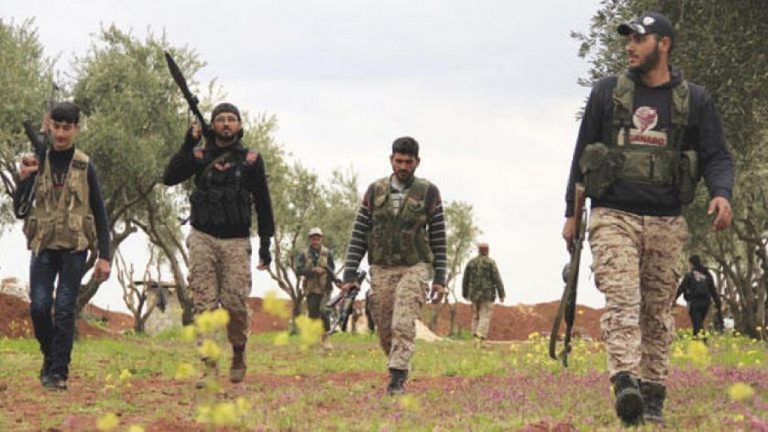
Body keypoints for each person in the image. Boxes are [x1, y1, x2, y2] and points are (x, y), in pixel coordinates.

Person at [561, 11, 733, 425]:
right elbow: (582, 155)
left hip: (666, 221)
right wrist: (571, 213)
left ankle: (652, 395)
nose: (630, 46)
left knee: (656, 312)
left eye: (639, 39)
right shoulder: (607, 92)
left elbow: (717, 156)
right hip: (612, 216)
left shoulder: (694, 100)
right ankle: (625, 383)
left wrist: (722, 194)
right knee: (622, 300)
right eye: (628, 39)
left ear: (664, 44)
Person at [163, 102, 275, 385]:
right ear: (212, 125)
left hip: (236, 241)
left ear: (239, 125)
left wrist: (265, 244)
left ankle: (238, 350)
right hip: (203, 238)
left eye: (231, 119)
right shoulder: (199, 155)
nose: (226, 124)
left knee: (235, 302)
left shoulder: (251, 160)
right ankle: (209, 366)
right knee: (204, 303)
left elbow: (263, 203)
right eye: (221, 119)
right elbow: (169, 177)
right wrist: (188, 142)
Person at [13, 101, 112, 390]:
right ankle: (49, 355)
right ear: (49, 125)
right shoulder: (38, 160)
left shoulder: (85, 165)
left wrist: (105, 256)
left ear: (76, 129)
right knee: (39, 307)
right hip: (43, 246)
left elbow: (100, 213)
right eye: (56, 127)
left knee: (66, 309)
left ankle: (58, 373)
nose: (60, 133)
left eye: (66, 128)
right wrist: (23, 181)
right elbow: (19, 209)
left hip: (74, 248)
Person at [341, 136, 447, 395]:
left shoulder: (429, 192)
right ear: (391, 160)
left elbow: (438, 237)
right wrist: (349, 273)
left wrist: (440, 278)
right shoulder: (374, 191)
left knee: (403, 321)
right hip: (382, 268)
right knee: (385, 327)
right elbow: (359, 233)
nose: (403, 166)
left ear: (417, 162)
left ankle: (397, 379)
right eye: (398, 161)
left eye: (408, 162)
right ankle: (398, 365)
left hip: (414, 267)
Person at [295, 227, 336, 349]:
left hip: (325, 288)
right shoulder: (304, 254)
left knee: (324, 311)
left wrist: (336, 281)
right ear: (310, 239)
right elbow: (298, 270)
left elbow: (332, 270)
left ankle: (325, 338)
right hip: (311, 289)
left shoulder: (328, 253)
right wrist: (313, 271)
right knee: (313, 314)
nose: (315, 240)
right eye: (313, 238)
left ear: (321, 238)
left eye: (318, 238)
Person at [462, 242, 505, 342]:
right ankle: (480, 336)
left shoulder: (471, 263)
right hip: (487, 294)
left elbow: (465, 279)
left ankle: (475, 336)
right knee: (485, 315)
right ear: (487, 250)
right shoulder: (490, 263)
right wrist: (501, 294)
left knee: (476, 316)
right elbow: (497, 279)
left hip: (473, 294)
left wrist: (465, 293)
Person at [675, 255, 722, 338]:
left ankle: (701, 340)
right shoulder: (707, 275)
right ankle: (699, 340)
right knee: (699, 322)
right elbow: (713, 290)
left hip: (695, 302)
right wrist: (718, 303)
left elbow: (681, 288)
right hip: (706, 303)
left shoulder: (689, 275)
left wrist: (673, 299)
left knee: (697, 323)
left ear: (691, 264)